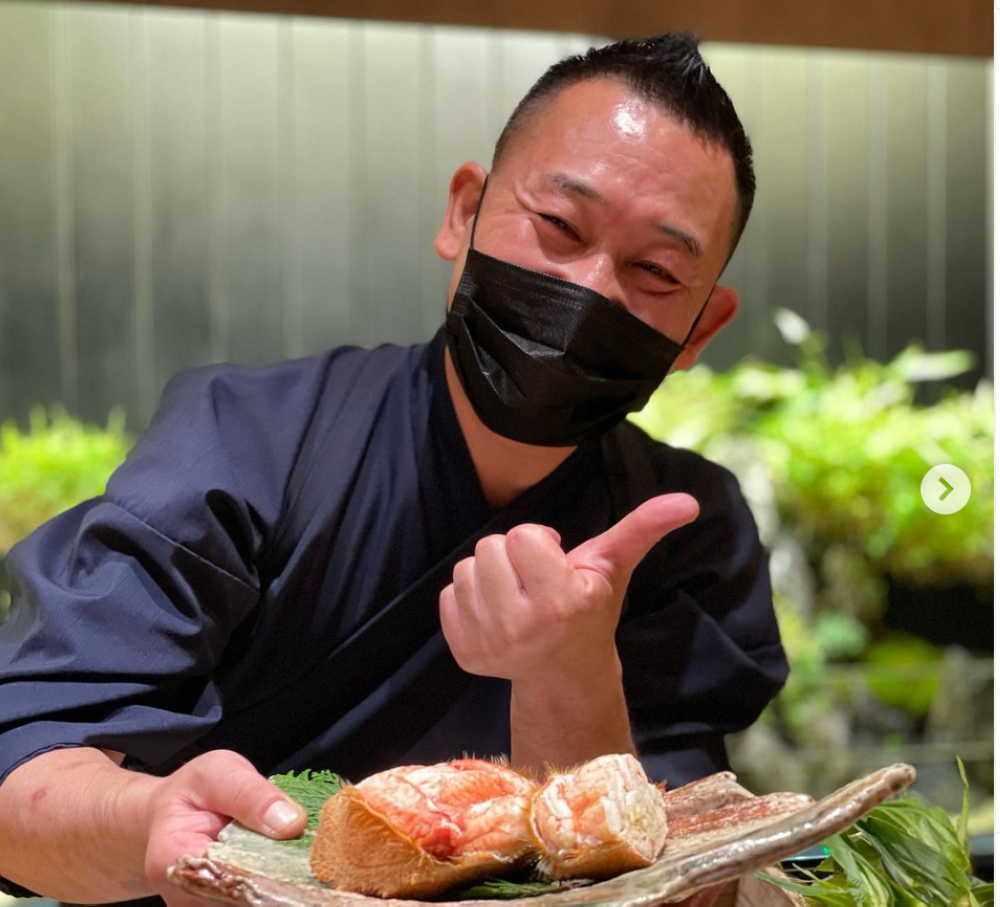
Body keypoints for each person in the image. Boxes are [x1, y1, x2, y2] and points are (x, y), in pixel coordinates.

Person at [0, 32, 787, 907]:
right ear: (464, 213)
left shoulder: (686, 535)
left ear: (700, 332)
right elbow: (23, 774)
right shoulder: (248, 443)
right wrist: (155, 821)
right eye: (559, 226)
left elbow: (686, 886)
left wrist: (570, 673)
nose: (592, 291)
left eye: (654, 271)